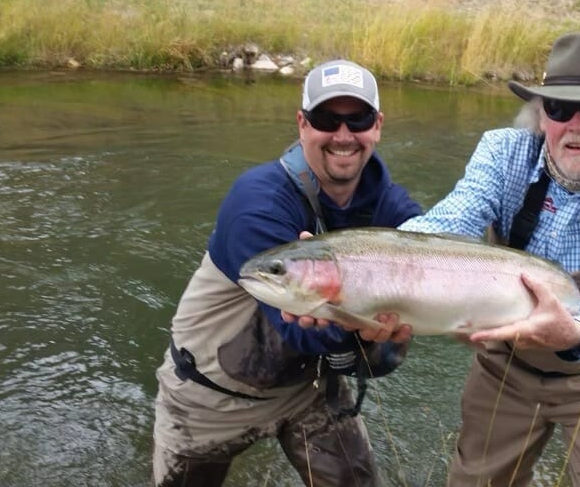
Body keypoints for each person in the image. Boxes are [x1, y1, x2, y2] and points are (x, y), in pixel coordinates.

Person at [399, 32, 580, 486]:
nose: (576, 124)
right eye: (558, 108)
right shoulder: (502, 152)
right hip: (506, 366)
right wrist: (369, 266)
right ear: (540, 115)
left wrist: (573, 331)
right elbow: (448, 223)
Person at [152, 59, 420, 487]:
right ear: (302, 123)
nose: (343, 135)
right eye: (326, 119)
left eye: (359, 119)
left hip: (310, 390)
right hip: (209, 396)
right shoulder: (257, 202)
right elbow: (300, 331)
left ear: (378, 126)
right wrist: (370, 327)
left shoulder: (391, 208)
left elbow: (438, 260)